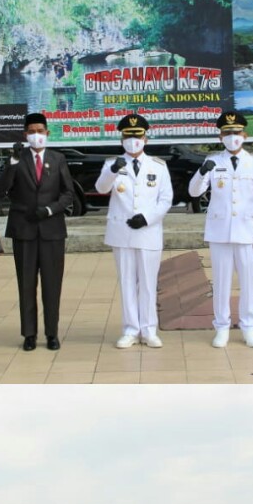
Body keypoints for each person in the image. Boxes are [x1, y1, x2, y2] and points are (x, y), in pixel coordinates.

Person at [188, 111, 253, 348]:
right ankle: (221, 327)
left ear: (244, 134)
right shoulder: (213, 162)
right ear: (220, 135)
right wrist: (203, 171)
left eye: (236, 132)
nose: (232, 137)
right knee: (221, 282)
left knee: (248, 282)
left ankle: (249, 328)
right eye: (227, 133)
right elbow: (194, 192)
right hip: (220, 231)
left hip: (247, 231)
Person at [96, 114, 174, 349]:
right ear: (122, 139)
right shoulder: (112, 163)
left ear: (146, 138)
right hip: (122, 232)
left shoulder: (158, 166)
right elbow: (101, 188)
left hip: (148, 232)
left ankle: (149, 330)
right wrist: (112, 171)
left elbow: (166, 198)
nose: (133, 140)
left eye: (137, 136)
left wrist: (148, 218)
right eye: (128, 136)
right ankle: (130, 329)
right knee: (127, 283)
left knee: (149, 284)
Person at [1, 112, 74, 350]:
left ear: (47, 133)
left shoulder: (58, 158)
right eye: (31, 131)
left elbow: (67, 194)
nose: (36, 135)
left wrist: (50, 210)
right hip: (24, 229)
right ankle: (29, 334)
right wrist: (11, 165)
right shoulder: (17, 159)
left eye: (40, 131)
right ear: (25, 134)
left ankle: (51, 333)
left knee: (52, 284)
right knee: (26, 284)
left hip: (52, 230)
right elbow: (4, 189)